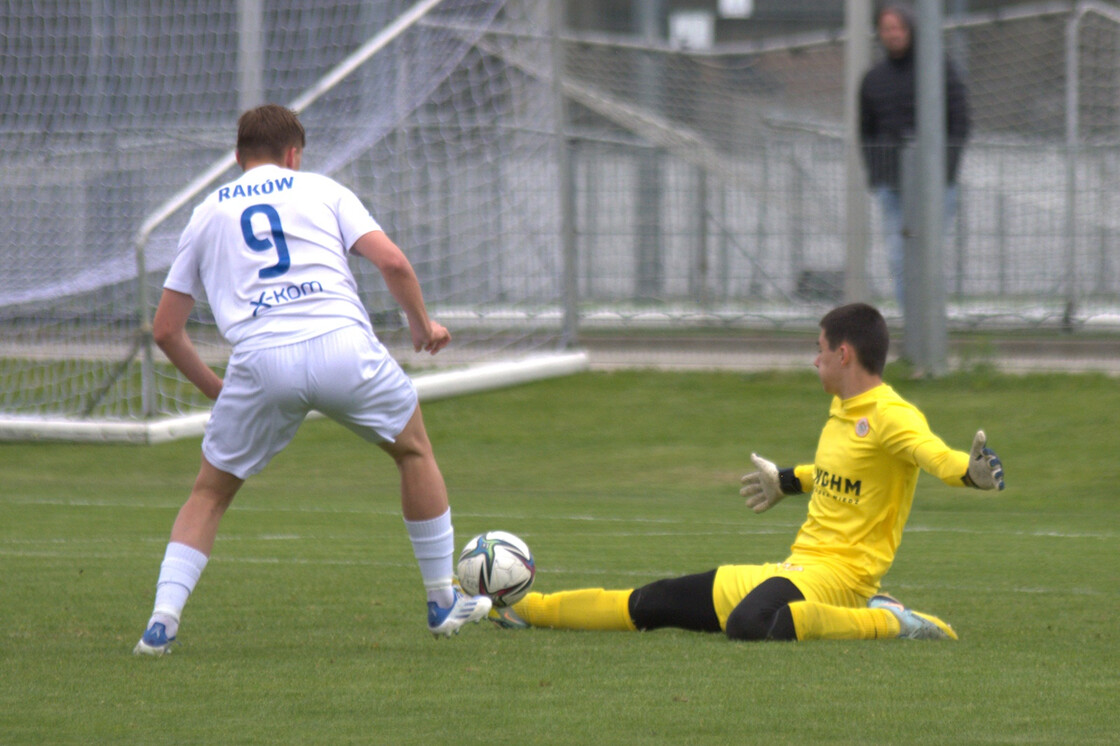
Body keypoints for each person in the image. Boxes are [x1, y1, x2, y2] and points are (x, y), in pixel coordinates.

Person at [133, 104, 491, 655]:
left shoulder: (206, 212)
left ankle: (161, 623)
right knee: (413, 451)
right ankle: (441, 602)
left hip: (260, 359)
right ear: (294, 155)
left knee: (209, 494)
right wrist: (423, 324)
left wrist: (218, 390)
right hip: (342, 345)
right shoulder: (324, 190)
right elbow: (392, 263)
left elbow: (165, 331)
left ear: (238, 158)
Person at [491, 303, 1005, 642]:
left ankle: (891, 621)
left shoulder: (893, 415)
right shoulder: (843, 411)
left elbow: (931, 454)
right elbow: (834, 473)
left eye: (819, 350)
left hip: (842, 580)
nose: (814, 360)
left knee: (750, 624)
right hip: (797, 570)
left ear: (843, 354)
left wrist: (969, 472)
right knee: (654, 602)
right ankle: (522, 609)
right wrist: (785, 480)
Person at [859, 3, 970, 308]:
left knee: (928, 255)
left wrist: (944, 171)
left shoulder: (939, 69)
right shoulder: (873, 79)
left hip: (935, 184)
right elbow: (866, 131)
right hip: (892, 185)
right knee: (899, 254)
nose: (893, 35)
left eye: (898, 28)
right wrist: (877, 174)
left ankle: (930, 325)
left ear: (911, 30)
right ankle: (912, 325)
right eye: (887, 29)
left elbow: (960, 122)